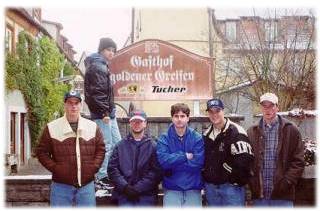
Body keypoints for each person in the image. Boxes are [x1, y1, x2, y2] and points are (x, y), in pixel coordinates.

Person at [36, 91, 105, 207]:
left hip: (86, 185)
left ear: (80, 105)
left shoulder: (92, 126)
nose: (73, 106)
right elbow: (41, 152)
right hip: (60, 186)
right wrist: (56, 168)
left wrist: (93, 168)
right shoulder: (52, 127)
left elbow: (101, 149)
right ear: (65, 105)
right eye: (70, 103)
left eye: (76, 103)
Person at [247, 93, 305, 207]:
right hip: (259, 197)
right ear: (261, 108)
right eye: (264, 106)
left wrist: (287, 182)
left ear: (277, 107)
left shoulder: (291, 130)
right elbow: (247, 161)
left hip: (283, 196)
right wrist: (252, 182)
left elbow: (299, 161)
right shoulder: (251, 131)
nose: (267, 109)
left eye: (271, 106)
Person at [84, 37, 121, 188]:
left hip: (108, 112)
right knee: (105, 145)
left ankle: (110, 172)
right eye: (108, 50)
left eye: (113, 50)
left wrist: (109, 111)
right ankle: (102, 176)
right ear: (101, 50)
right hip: (103, 114)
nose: (111, 53)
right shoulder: (98, 66)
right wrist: (104, 112)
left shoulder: (101, 65)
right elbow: (97, 93)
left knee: (117, 143)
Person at [202, 98, 254, 206]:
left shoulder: (236, 131)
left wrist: (233, 179)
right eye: (211, 112)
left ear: (223, 111)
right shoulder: (206, 135)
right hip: (211, 189)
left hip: (231, 188)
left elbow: (245, 161)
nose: (214, 114)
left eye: (217, 111)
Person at [108, 110, 162, 206]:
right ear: (130, 123)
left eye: (140, 121)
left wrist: (138, 188)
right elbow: (112, 169)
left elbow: (156, 172)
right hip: (124, 194)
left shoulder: (153, 146)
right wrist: (125, 187)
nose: (137, 124)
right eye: (134, 121)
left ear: (145, 123)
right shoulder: (120, 146)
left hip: (146, 194)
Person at [156, 103, 204, 207]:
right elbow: (164, 162)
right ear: (172, 118)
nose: (179, 119)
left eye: (182, 116)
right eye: (176, 116)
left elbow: (198, 163)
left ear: (188, 118)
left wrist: (173, 163)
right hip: (172, 189)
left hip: (193, 188)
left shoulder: (197, 138)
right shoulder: (164, 139)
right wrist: (185, 156)